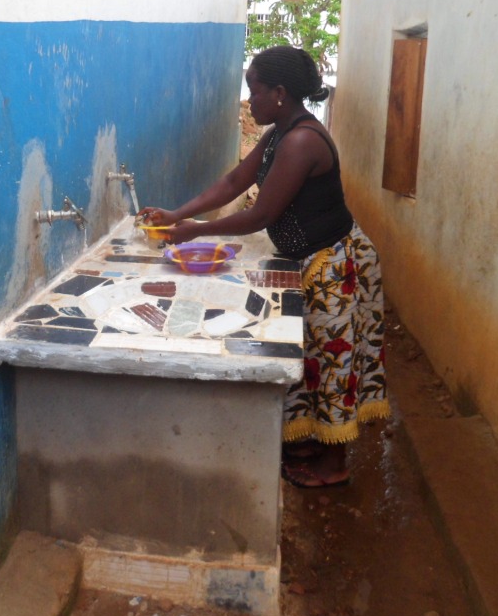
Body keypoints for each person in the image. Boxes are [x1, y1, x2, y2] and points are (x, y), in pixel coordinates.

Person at [138, 45, 389, 488]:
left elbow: (260, 215)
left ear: (279, 92)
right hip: (307, 258)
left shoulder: (301, 141)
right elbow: (235, 181)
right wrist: (178, 215)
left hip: (333, 263)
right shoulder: (280, 132)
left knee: (333, 361)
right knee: (307, 353)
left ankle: (335, 464)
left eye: (253, 90)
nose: (249, 100)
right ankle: (309, 441)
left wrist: (196, 231)